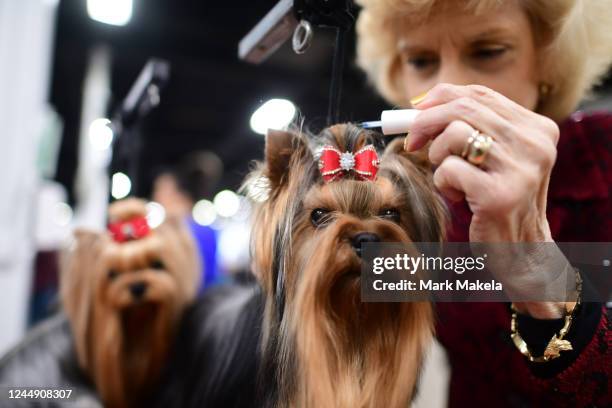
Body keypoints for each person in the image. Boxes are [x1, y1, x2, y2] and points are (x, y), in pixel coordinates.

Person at [356, 0, 612, 405]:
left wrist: (534, 264)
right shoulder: (415, 200)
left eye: (488, 51)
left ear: (547, 60)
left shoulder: (605, 159)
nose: (450, 85)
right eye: (421, 60)